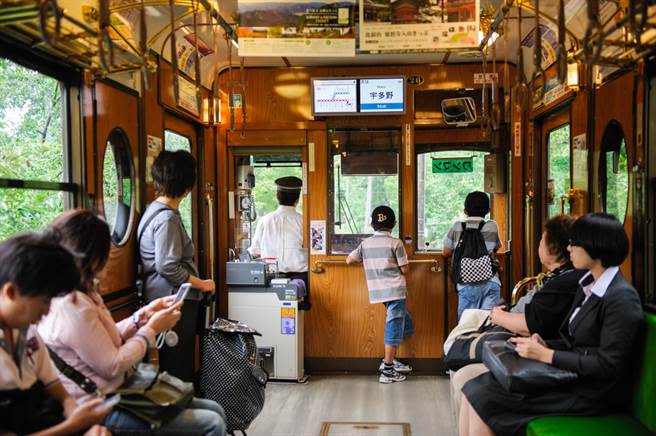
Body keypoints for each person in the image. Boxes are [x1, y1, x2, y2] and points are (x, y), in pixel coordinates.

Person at [39, 210, 227, 436]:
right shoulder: (71, 306)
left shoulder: (85, 292)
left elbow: (105, 340)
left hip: (123, 392)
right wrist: (152, 329)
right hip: (102, 405)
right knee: (212, 423)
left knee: (215, 409)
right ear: (89, 255)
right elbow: (113, 365)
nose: (108, 259)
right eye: (104, 252)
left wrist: (142, 317)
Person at [459, 213, 644, 436]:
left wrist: (546, 355)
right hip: (574, 377)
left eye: (574, 243)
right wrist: (545, 344)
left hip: (592, 392)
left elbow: (607, 365)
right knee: (476, 388)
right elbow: (574, 341)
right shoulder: (588, 286)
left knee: (486, 398)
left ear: (594, 246)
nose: (569, 249)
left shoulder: (621, 298)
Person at [450, 214, 586, 419]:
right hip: (545, 347)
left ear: (554, 247)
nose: (539, 242)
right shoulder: (565, 279)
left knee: (469, 382)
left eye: (542, 238)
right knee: (468, 381)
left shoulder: (566, 282)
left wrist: (498, 316)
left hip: (552, 361)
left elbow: (531, 324)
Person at [0, 232, 110, 436]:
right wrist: (72, 427)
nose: (47, 311)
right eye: (44, 301)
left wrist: (74, 411)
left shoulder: (26, 329)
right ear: (11, 293)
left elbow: (52, 382)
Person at [138, 150, 214, 380]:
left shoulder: (153, 210)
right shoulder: (167, 218)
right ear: (187, 187)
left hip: (164, 297)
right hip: (174, 300)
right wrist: (202, 284)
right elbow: (167, 266)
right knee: (178, 365)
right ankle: (182, 414)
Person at [346, 205, 414, 383]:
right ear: (394, 224)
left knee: (403, 322)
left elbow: (349, 260)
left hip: (379, 292)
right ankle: (388, 370)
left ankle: (391, 360)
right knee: (394, 325)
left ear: (371, 224)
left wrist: (369, 264)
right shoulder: (396, 243)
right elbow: (405, 269)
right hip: (396, 290)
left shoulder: (365, 244)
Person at [248, 176, 309, 308]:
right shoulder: (304, 221)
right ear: (297, 199)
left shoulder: (265, 220)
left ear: (277, 196)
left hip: (271, 280)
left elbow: (254, 251)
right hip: (301, 281)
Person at [442, 191, 502, 319]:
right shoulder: (492, 226)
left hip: (466, 283)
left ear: (465, 211)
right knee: (490, 322)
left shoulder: (457, 226)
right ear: (488, 210)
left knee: (467, 324)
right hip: (490, 281)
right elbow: (495, 248)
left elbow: (446, 252)